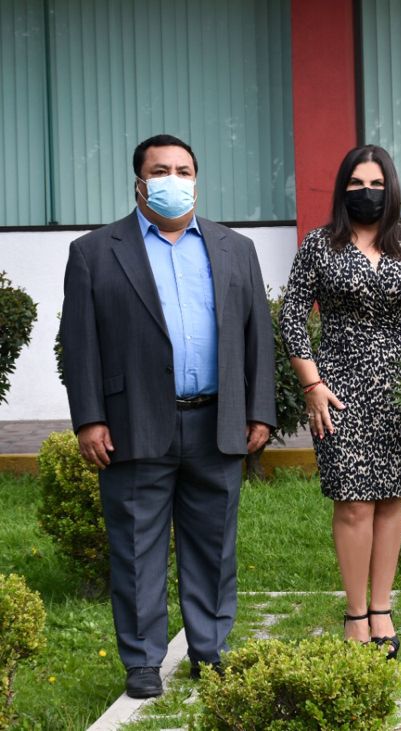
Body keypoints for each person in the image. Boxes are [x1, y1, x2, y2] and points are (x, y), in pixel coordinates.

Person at [60, 134, 277, 698]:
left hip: (216, 420)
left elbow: (258, 337)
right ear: (139, 182)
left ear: (197, 180)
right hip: (133, 422)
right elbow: (79, 344)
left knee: (213, 543)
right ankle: (141, 660)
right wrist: (89, 418)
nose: (173, 179)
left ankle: (210, 649)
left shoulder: (235, 249)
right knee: (135, 545)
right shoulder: (94, 252)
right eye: (161, 170)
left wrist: (259, 410)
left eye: (183, 170)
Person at [280, 145, 401, 660]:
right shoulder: (320, 245)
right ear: (343, 189)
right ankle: (355, 611)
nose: (368, 192)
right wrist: (311, 385)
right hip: (338, 388)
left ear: (392, 188)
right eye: (358, 183)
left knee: (391, 499)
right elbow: (292, 315)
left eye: (377, 183)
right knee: (354, 501)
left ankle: (382, 608)